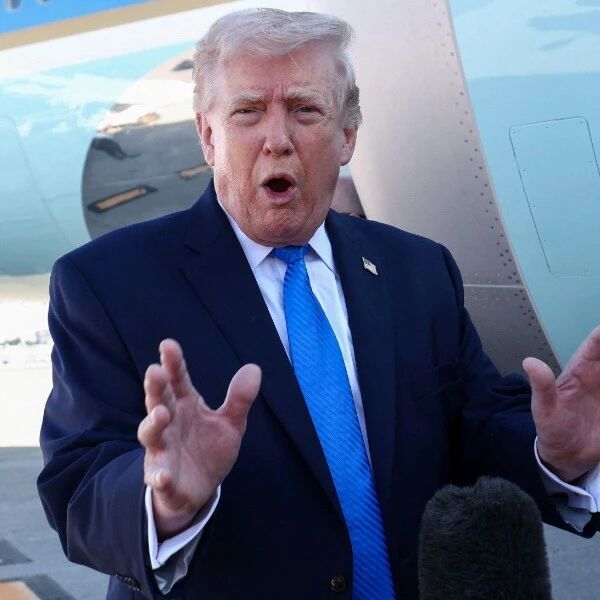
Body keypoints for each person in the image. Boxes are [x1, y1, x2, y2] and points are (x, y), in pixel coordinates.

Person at [37, 8, 600, 600]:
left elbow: (474, 424)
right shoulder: (108, 283)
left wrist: (557, 455)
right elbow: (78, 484)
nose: (277, 139)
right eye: (248, 111)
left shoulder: (417, 269)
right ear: (208, 136)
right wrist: (162, 501)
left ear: (347, 136)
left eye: (306, 110)